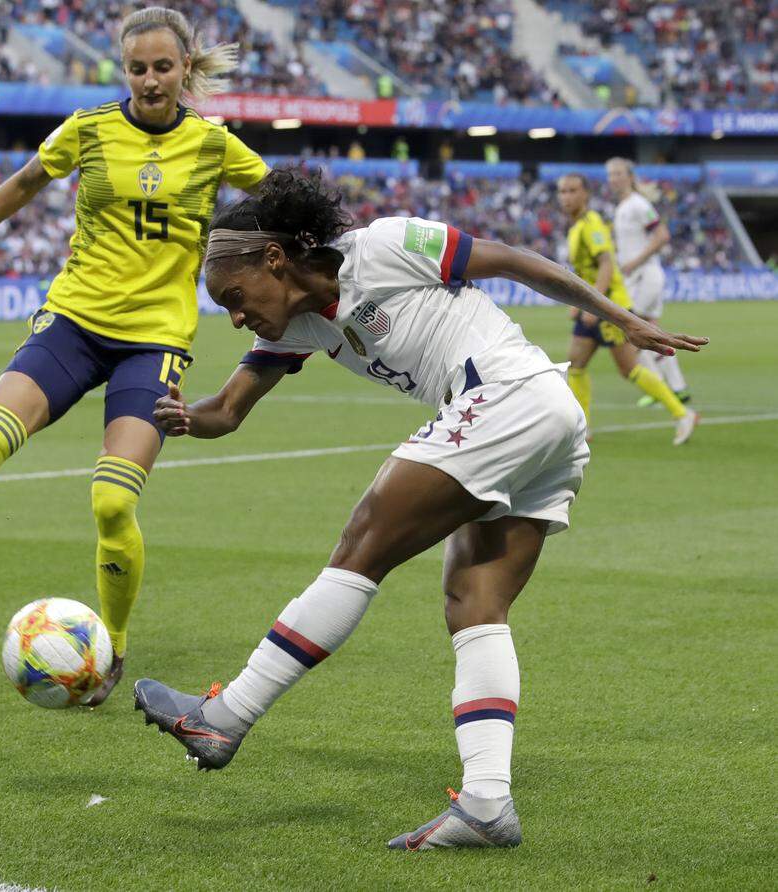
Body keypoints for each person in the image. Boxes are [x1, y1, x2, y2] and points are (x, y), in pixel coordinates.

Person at [133, 168, 707, 850]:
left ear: (275, 259)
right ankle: (488, 804)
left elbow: (517, 261)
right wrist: (187, 418)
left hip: (508, 393)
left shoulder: (381, 247)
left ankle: (225, 716)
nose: (234, 316)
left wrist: (619, 317)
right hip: (547, 426)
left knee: (361, 544)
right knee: (473, 600)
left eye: (234, 296)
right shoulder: (300, 327)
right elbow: (227, 409)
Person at [0, 7, 267, 706]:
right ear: (123, 70)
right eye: (137, 68)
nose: (150, 81)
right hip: (72, 324)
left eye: (162, 67)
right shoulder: (90, 128)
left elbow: (280, 201)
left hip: (153, 342)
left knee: (112, 503)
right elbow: (26, 182)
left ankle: (113, 651)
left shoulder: (215, 146)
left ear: (186, 69)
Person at [556, 173, 697, 444]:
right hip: (595, 304)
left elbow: (607, 265)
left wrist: (590, 305)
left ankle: (682, 414)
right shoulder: (575, 227)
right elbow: (589, 270)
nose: (566, 197)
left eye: (572, 190)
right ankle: (582, 431)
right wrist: (578, 303)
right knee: (575, 365)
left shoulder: (591, 224)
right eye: (562, 191)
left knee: (629, 369)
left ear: (585, 194)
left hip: (609, 307)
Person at [605, 158, 690, 406]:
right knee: (653, 329)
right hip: (637, 277)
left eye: (618, 173)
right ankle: (678, 387)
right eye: (610, 174)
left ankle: (656, 387)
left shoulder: (638, 204)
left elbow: (662, 235)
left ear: (630, 176)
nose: (614, 179)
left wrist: (635, 261)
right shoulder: (622, 207)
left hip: (645, 276)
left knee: (634, 329)